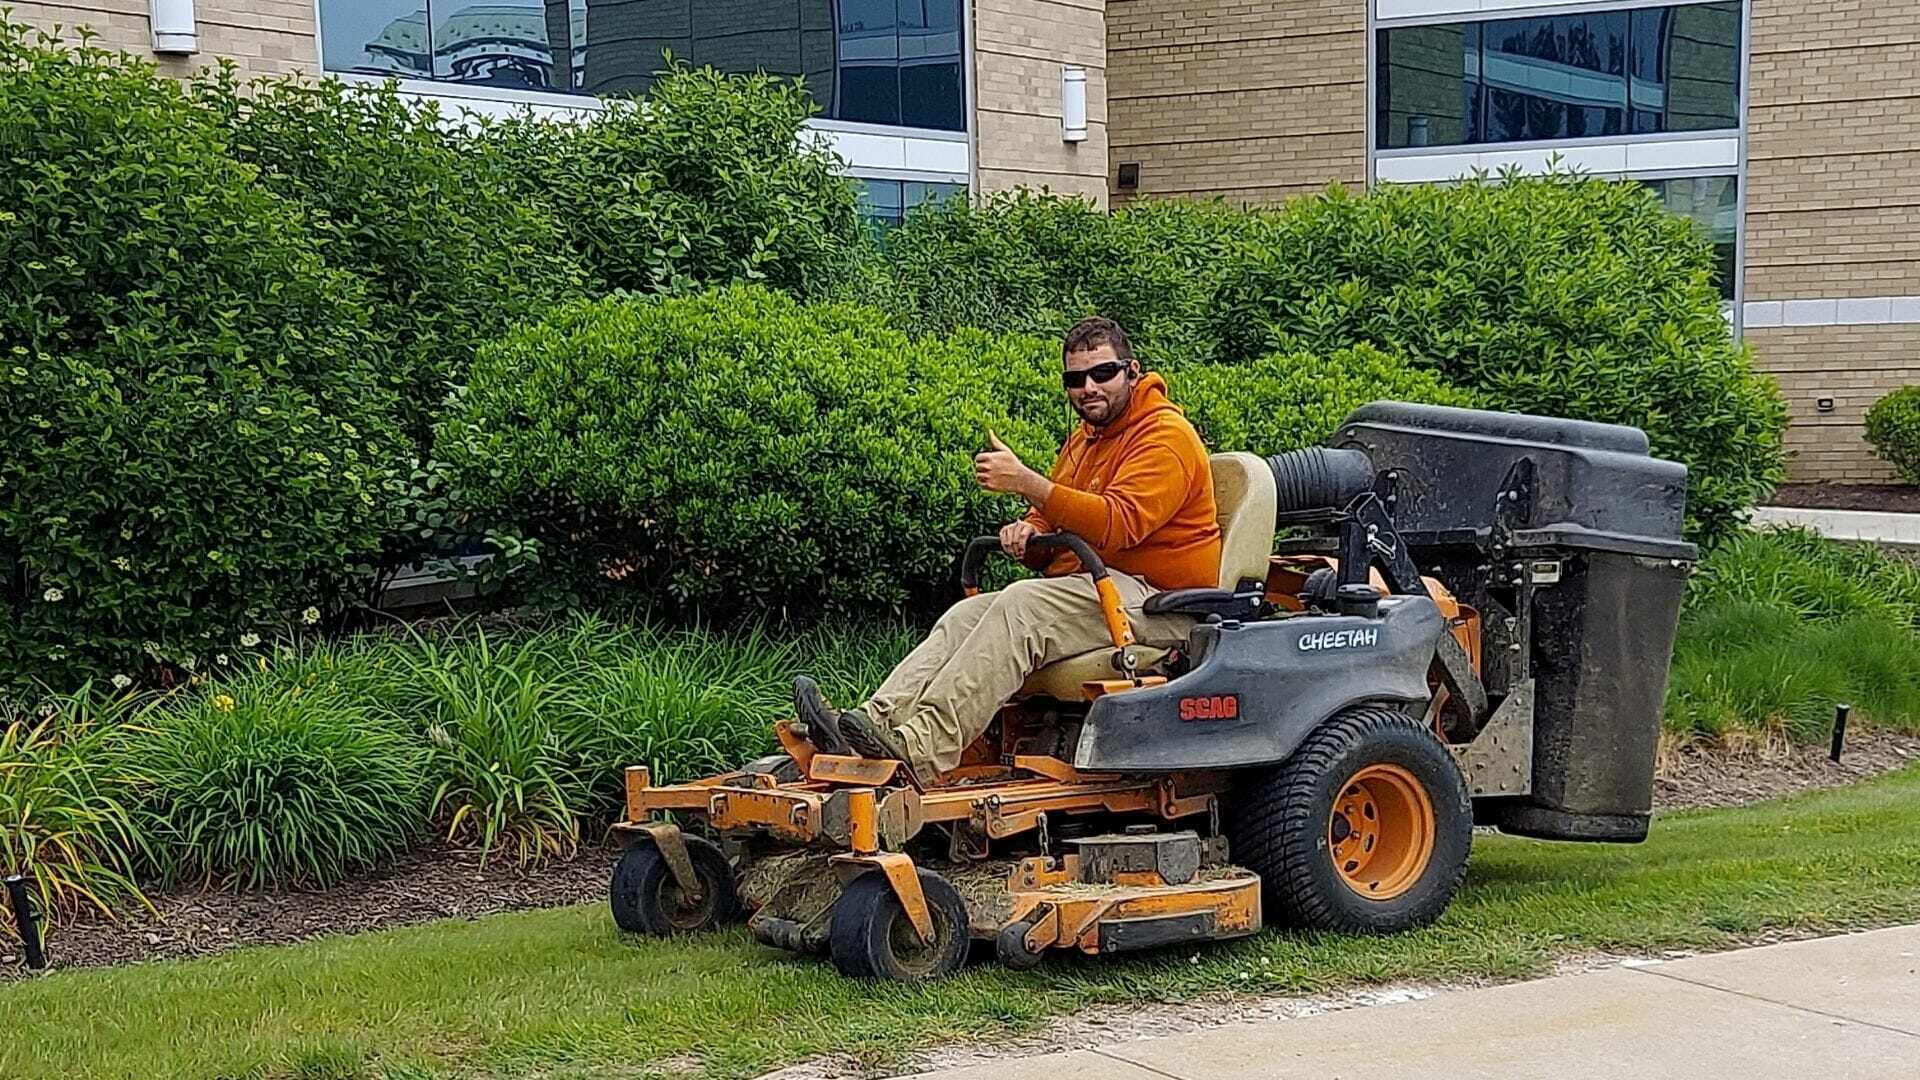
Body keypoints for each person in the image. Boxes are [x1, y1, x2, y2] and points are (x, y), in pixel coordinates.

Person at [792, 316, 1223, 784]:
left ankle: (920, 749)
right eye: (1075, 379)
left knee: (1023, 605)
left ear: (1132, 372)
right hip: (1102, 585)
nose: (1088, 388)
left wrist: (1025, 482)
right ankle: (877, 723)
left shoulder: (1166, 438)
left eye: (1103, 373)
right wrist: (1028, 534)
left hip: (1161, 599)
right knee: (966, 614)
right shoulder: (1085, 439)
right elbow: (1056, 513)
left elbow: (1117, 524)